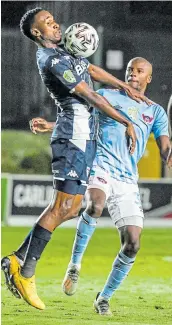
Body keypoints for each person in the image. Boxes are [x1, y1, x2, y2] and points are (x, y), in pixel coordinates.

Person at [1, 8, 150, 311]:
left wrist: (122, 86)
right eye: (46, 22)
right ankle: (23, 268)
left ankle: (17, 261)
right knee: (62, 207)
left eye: (52, 18)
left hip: (83, 138)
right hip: (73, 138)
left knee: (70, 208)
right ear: (36, 34)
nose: (54, 22)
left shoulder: (65, 51)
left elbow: (91, 71)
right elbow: (90, 95)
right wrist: (126, 121)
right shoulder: (52, 60)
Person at [60, 57, 171, 315]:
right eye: (130, 69)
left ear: (149, 78)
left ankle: (103, 298)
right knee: (95, 204)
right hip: (100, 165)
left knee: (133, 243)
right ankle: (74, 266)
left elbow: (165, 147)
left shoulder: (155, 111)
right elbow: (78, 118)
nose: (133, 73)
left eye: (139, 71)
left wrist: (169, 155)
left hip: (127, 180)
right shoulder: (106, 95)